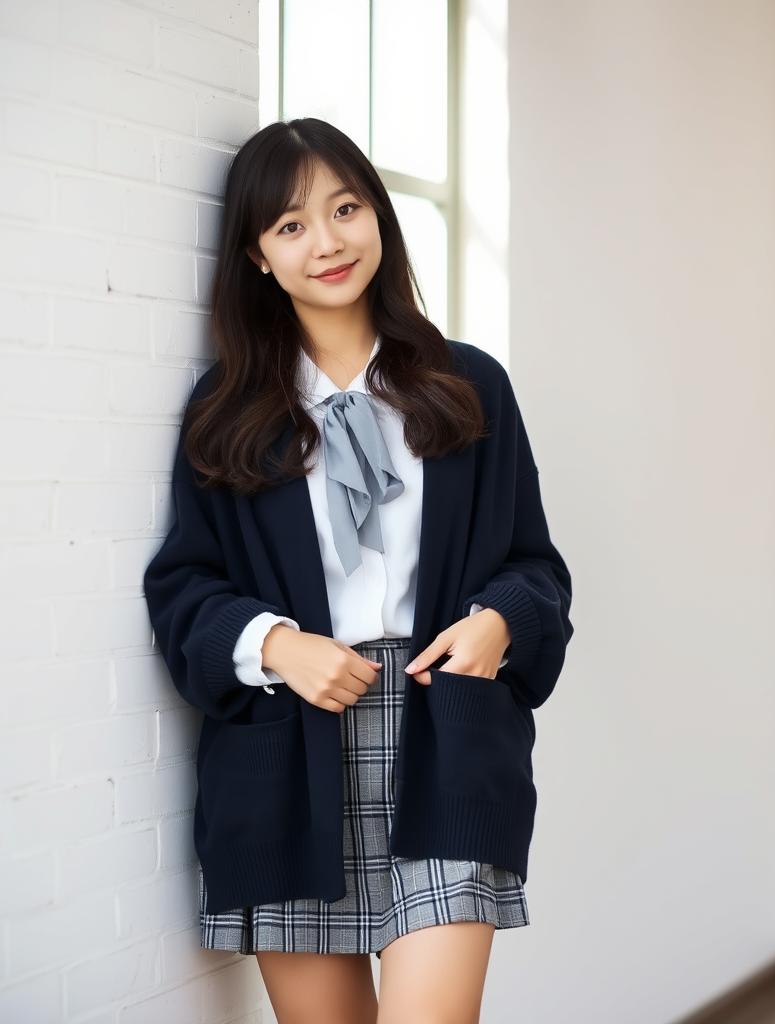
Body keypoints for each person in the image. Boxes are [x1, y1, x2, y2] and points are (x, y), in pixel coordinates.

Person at [141, 117, 574, 1024]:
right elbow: (182, 585)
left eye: (346, 208)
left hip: (445, 737)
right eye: (291, 225)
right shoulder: (225, 410)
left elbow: (536, 565)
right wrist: (277, 645)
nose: (328, 241)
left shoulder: (470, 387)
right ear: (256, 255)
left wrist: (501, 622)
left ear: (380, 217)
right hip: (284, 759)